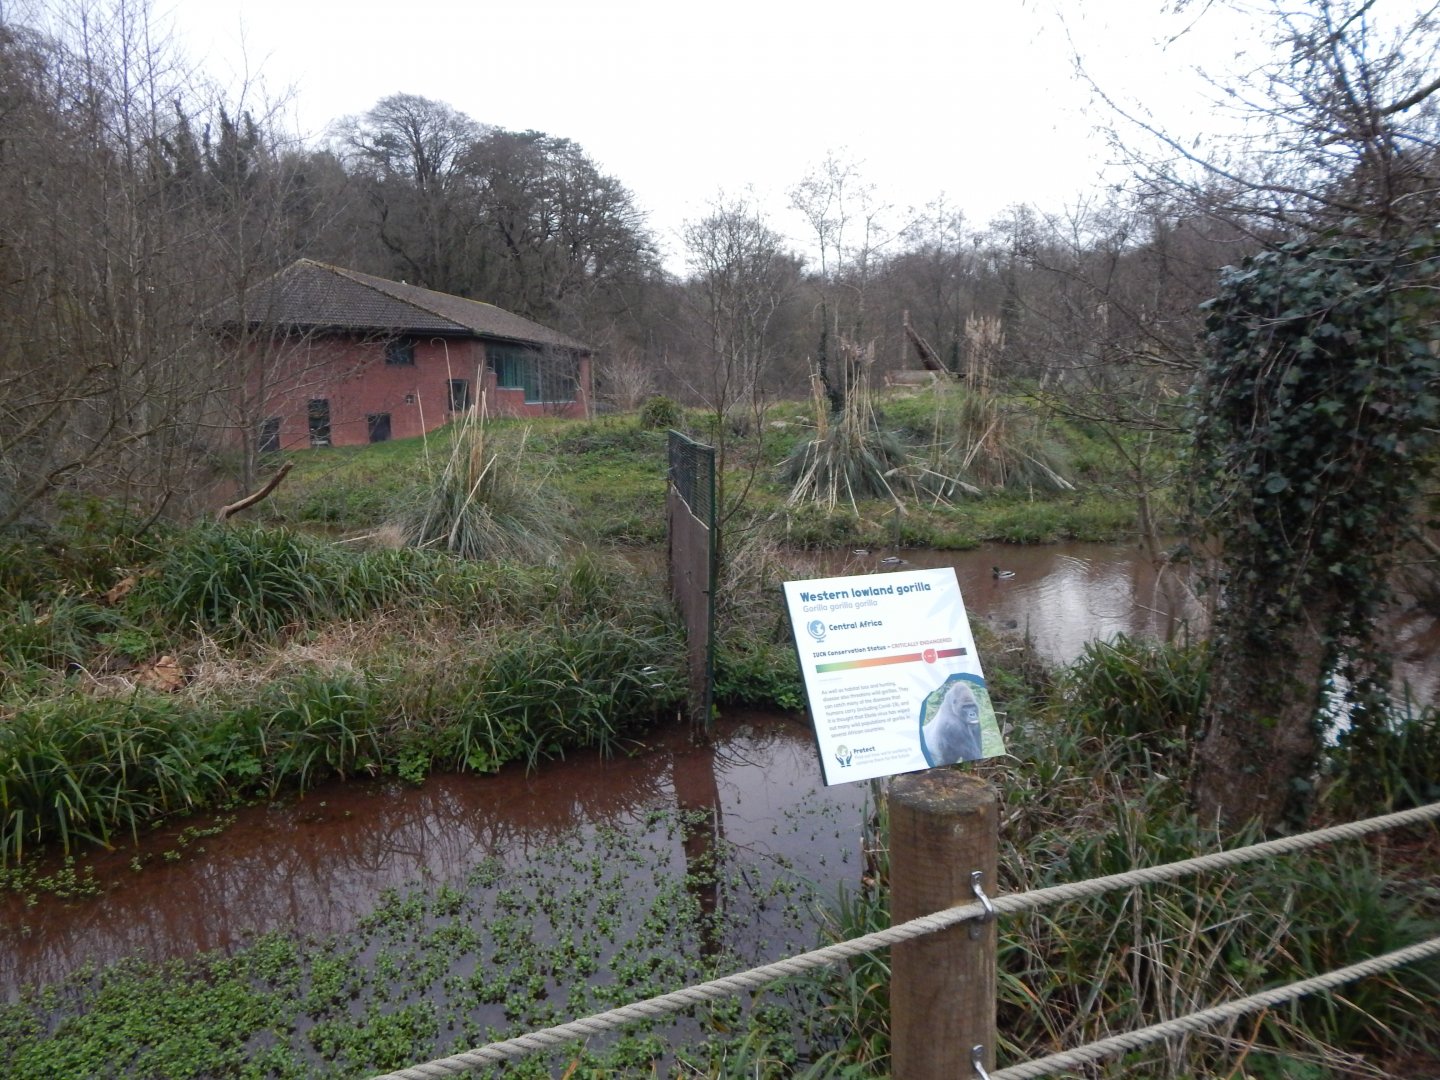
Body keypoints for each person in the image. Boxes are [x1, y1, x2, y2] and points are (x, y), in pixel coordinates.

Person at [921, 679, 984, 764]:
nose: (972, 714)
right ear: (955, 703)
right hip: (929, 752)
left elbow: (978, 751)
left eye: (972, 706)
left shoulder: (970, 717)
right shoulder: (952, 725)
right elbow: (974, 757)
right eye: (966, 707)